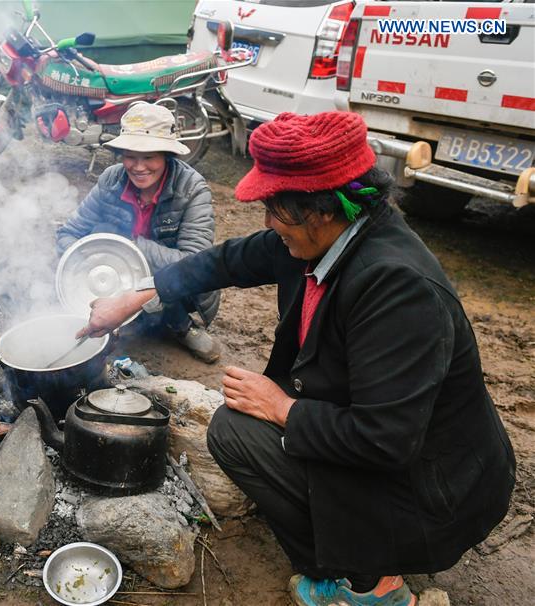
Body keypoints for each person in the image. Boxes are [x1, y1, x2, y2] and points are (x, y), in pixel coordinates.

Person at [76, 111, 516, 605]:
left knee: (243, 428)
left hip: (434, 489)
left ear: (322, 207)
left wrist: (281, 408)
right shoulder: (318, 239)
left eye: (274, 207)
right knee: (234, 427)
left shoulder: (397, 288)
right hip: (380, 439)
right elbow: (225, 261)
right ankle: (343, 544)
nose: (266, 222)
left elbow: (386, 440)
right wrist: (136, 295)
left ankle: (371, 585)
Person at [56, 102, 221, 363]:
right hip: (112, 277)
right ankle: (114, 317)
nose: (138, 166)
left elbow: (195, 264)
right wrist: (84, 262)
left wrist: (129, 245)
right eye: (130, 156)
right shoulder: (111, 179)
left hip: (168, 284)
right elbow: (69, 233)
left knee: (172, 281)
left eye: (149, 157)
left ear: (167, 155)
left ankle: (180, 325)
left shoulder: (192, 189)